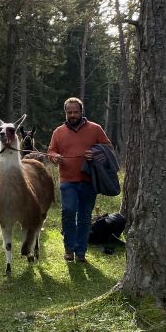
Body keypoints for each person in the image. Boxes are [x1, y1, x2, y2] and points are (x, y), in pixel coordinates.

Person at [46, 97, 112, 263]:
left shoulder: (95, 129)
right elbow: (50, 151)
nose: (73, 115)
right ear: (65, 113)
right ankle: (69, 248)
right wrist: (55, 157)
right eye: (69, 112)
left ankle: (81, 251)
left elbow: (108, 148)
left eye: (76, 112)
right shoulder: (58, 132)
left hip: (89, 181)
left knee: (84, 217)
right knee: (68, 211)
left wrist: (95, 154)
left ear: (82, 112)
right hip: (67, 180)